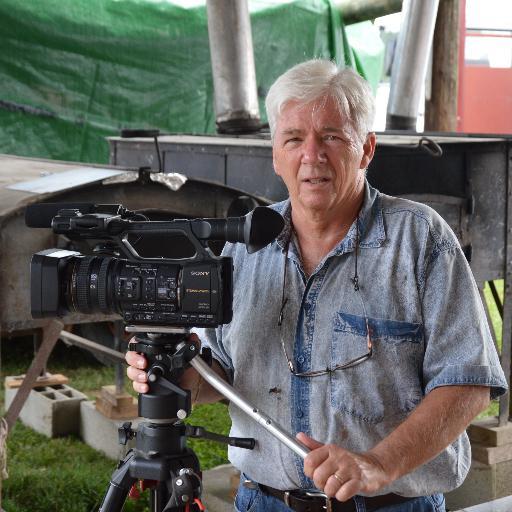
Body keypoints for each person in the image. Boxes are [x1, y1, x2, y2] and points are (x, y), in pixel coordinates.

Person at [126, 59, 508, 512]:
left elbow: (468, 384)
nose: (312, 155)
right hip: (261, 501)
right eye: (293, 139)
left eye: (331, 136)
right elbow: (223, 369)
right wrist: (178, 379)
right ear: (275, 154)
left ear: (365, 149)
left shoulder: (420, 239)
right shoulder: (245, 247)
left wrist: (378, 463)